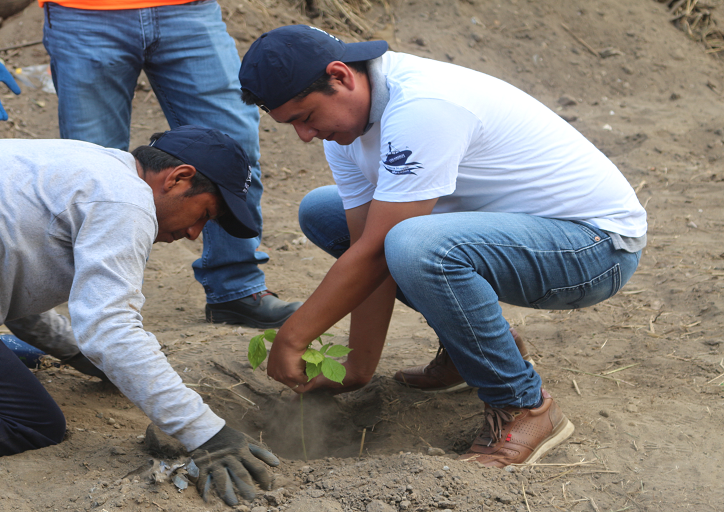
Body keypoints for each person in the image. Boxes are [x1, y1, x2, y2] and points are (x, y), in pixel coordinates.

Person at [238, 25, 647, 467]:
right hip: (519, 235)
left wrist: (294, 336)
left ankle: (523, 405)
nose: (304, 135)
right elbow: (364, 250)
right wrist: (357, 369)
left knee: (413, 244)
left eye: (305, 117)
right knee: (323, 211)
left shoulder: (422, 106)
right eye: (292, 124)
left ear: (340, 76)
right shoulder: (347, 129)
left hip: (593, 247)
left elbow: (378, 252)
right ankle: (472, 349)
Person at [0, 126, 278, 506]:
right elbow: (112, 330)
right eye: (205, 215)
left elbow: (11, 293)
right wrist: (206, 434)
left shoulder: (88, 166)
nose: (195, 233)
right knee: (30, 422)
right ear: (179, 178)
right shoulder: (125, 201)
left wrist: (75, 353)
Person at [0, 0, 301, 329]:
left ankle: (237, 289)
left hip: (188, 11)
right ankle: (106, 308)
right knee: (92, 174)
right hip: (84, 14)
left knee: (233, 154)